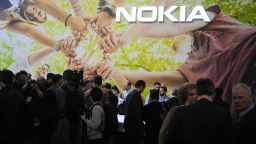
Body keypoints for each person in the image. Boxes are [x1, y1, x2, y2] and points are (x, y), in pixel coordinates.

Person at [92, 0, 256, 106]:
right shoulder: (186, 73)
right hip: (245, 94)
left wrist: (123, 36)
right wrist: (108, 69)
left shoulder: (213, 16)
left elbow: (173, 27)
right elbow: (151, 80)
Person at [160, 78, 232, 144]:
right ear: (213, 94)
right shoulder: (224, 113)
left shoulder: (181, 112)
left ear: (197, 92)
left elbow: (170, 139)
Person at [0, 70, 26, 144]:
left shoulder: (1, 95)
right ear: (13, 79)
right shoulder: (19, 94)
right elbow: (22, 114)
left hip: (3, 134)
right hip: (16, 133)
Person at [124, 80, 145, 144]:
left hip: (128, 122)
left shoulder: (130, 94)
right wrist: (141, 125)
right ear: (141, 87)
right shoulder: (136, 95)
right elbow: (137, 112)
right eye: (143, 88)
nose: (143, 90)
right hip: (134, 125)